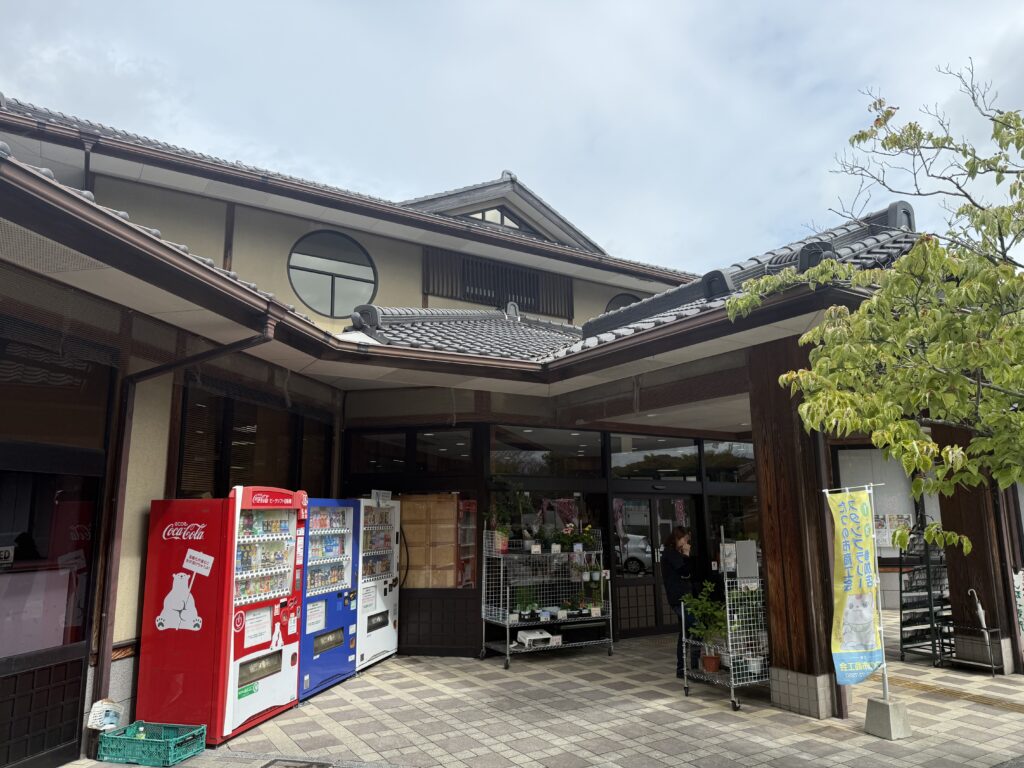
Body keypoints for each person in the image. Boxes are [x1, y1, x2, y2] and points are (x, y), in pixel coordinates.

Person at [661, 526, 697, 678]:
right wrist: (687, 554)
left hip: (682, 597)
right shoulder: (670, 554)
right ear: (676, 538)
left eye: (687, 539)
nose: (685, 542)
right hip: (679, 598)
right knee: (695, 628)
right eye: (683, 539)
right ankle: (690, 669)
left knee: (686, 631)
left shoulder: (674, 554)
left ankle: (683, 669)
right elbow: (685, 572)